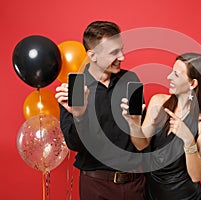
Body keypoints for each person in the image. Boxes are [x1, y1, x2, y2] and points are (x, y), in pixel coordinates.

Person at [55, 21, 145, 200]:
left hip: (136, 184)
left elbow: (142, 141)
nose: (122, 57)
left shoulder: (130, 79)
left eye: (121, 50)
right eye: (114, 52)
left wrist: (136, 123)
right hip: (96, 186)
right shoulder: (74, 90)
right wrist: (79, 115)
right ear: (92, 55)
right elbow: (74, 144)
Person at [121, 53, 201, 200]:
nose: (169, 77)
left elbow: (197, 176)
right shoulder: (158, 102)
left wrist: (189, 140)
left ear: (192, 84)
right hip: (152, 194)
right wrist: (133, 123)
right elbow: (141, 145)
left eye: (176, 75)